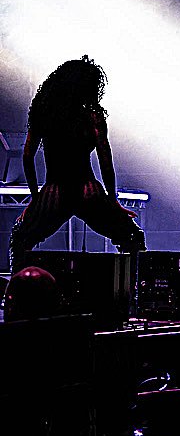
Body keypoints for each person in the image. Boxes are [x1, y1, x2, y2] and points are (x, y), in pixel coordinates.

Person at [9, 55, 146, 273]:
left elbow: (27, 156)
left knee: (20, 239)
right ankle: (135, 287)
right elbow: (105, 160)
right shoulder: (93, 117)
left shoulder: (44, 113)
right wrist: (112, 200)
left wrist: (36, 199)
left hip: (55, 190)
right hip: (87, 189)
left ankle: (20, 288)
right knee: (132, 237)